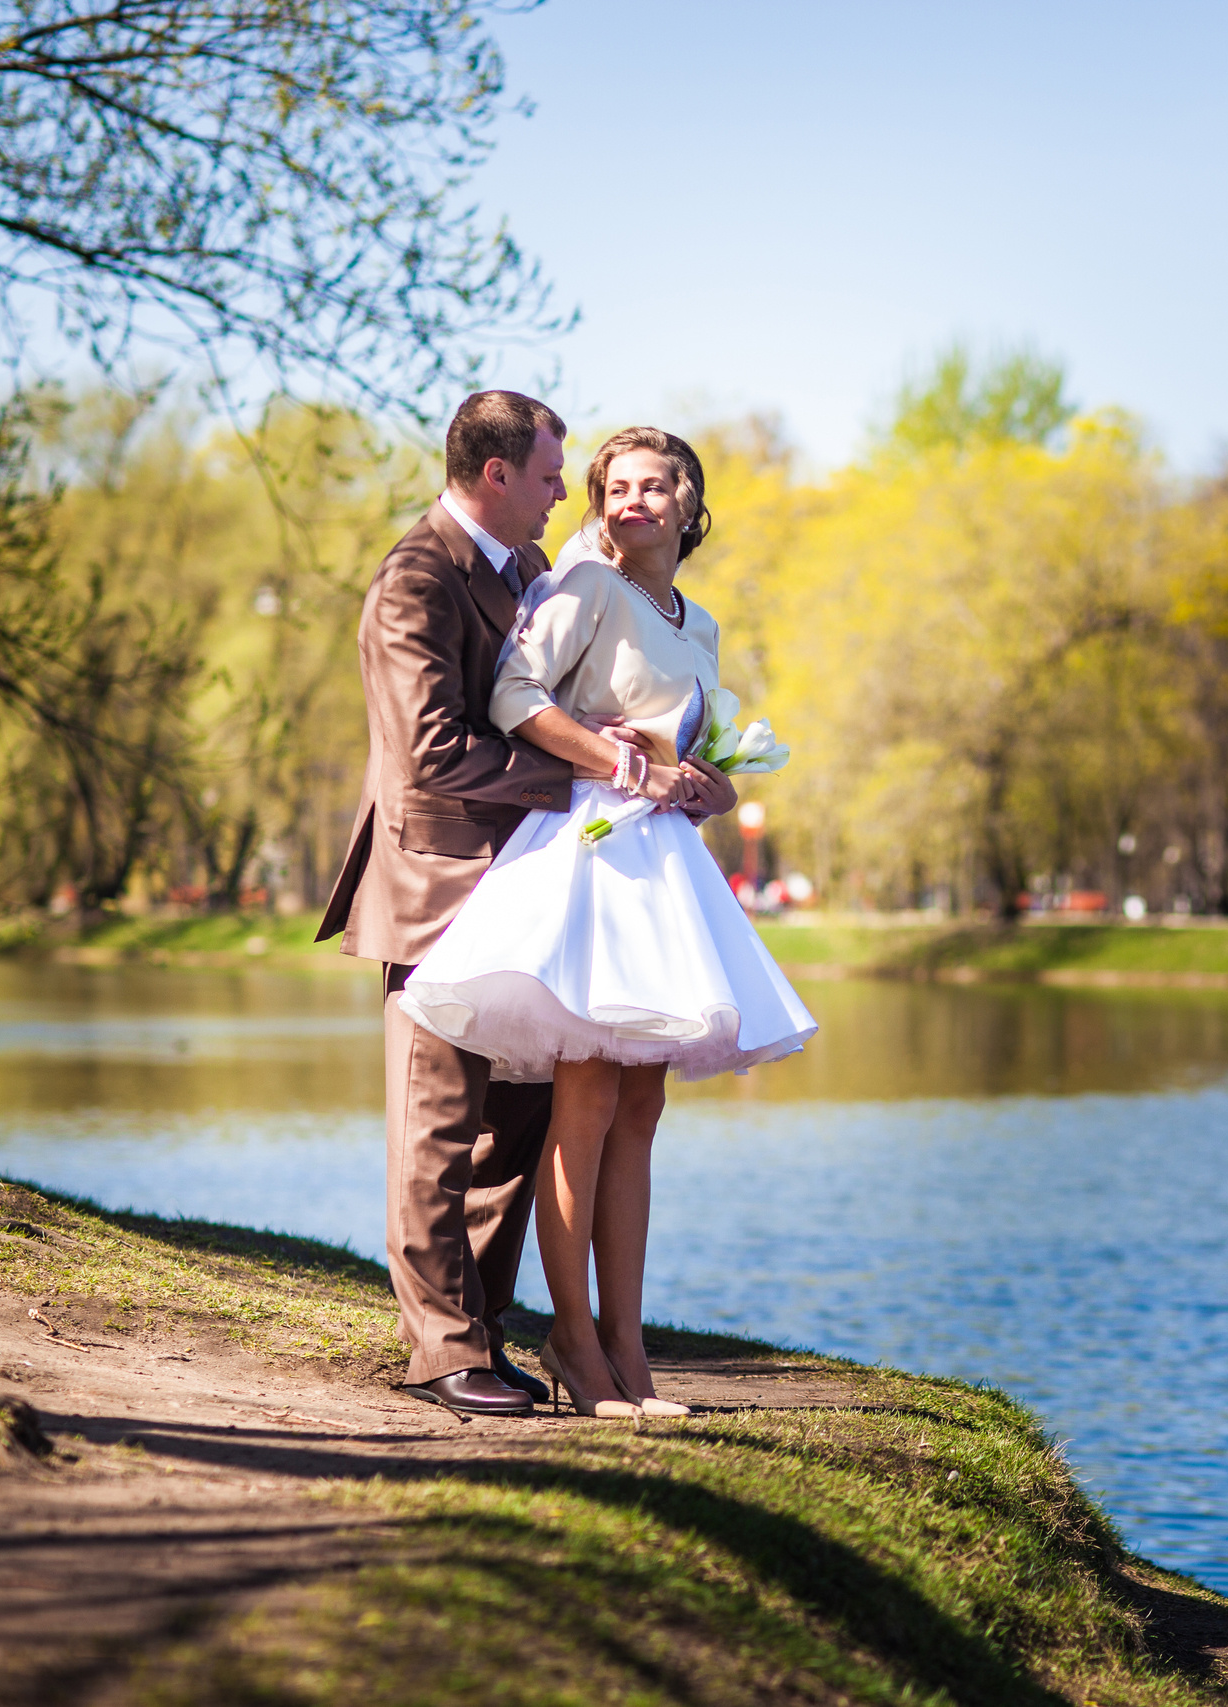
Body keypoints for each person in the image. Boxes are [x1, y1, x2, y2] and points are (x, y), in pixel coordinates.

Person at [317, 392, 729, 1417]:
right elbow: (432, 751)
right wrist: (591, 773)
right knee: (437, 1127)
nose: (564, 496)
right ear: (497, 474)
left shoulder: (531, 571)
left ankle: (488, 1332)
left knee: (513, 1130)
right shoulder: (416, 578)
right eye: (553, 477)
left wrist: (666, 773)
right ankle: (442, 1351)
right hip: (437, 881)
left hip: (532, 880)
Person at [398, 426, 817, 1419]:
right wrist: (620, 761)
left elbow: (688, 751)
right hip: (587, 853)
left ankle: (630, 1354)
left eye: (653, 485)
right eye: (614, 486)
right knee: (584, 1100)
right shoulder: (585, 586)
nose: (633, 500)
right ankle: (575, 1346)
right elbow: (513, 695)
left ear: (688, 503)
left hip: (663, 865)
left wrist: (707, 787)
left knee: (641, 1109)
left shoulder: (699, 623)